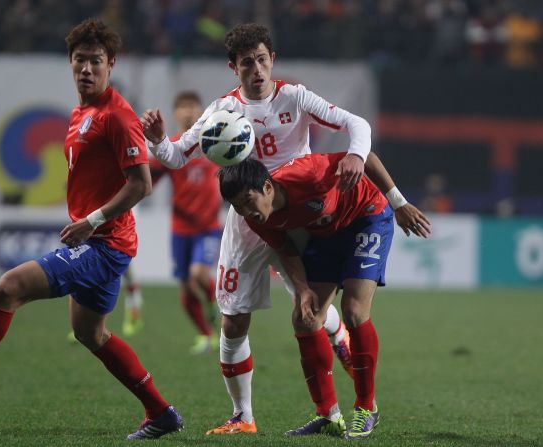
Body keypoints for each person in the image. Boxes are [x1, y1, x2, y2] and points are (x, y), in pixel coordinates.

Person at [141, 23, 429, 435]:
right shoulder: (222, 112)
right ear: (233, 68)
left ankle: (346, 357)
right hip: (252, 218)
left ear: (272, 60)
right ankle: (245, 416)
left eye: (262, 60)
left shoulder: (295, 96)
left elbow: (357, 127)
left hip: (307, 210)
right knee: (235, 319)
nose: (256, 70)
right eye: (246, 64)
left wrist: (357, 160)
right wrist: (156, 141)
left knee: (309, 309)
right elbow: (173, 155)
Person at [0, 19, 183, 441]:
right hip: (102, 241)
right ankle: (161, 412)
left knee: (8, 288)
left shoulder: (118, 116)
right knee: (90, 333)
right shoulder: (82, 112)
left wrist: (91, 222)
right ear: (70, 62)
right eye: (80, 60)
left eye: (96, 61)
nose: (86, 69)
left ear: (111, 64)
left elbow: (142, 183)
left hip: (104, 243)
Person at [218, 154, 430, 439]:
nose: (245, 211)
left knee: (353, 310)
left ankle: (366, 409)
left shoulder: (311, 173)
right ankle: (328, 415)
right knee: (305, 319)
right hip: (327, 236)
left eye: (248, 200)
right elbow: (286, 250)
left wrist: (398, 201)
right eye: (237, 206)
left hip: (366, 217)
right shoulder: (257, 219)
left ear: (268, 187)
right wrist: (303, 289)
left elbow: (364, 155)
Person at [149, 91, 221, 354]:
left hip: (209, 227)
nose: (189, 112)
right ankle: (206, 335)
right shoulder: (171, 148)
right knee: (186, 287)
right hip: (180, 228)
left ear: (203, 112)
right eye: (183, 107)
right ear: (175, 113)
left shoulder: (216, 141)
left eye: (193, 107)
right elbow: (148, 180)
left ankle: (216, 306)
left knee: (198, 274)